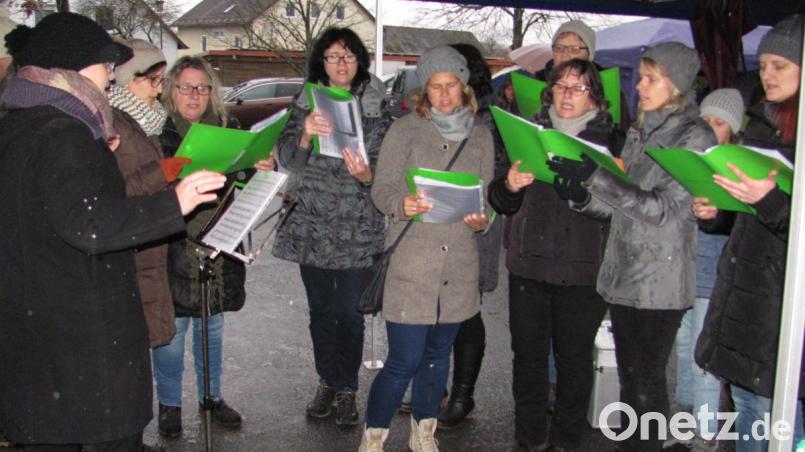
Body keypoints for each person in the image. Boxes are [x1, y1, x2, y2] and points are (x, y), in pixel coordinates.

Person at [0, 12, 225, 451]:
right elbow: (91, 224)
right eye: (106, 66)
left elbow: (56, 211)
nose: (110, 77)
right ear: (74, 68)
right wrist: (174, 203)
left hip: (39, 335)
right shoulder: (64, 134)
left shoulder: (21, 123)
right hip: (82, 342)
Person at [550, 42, 717, 451]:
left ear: (675, 84)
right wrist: (582, 196)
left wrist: (597, 178)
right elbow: (623, 207)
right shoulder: (643, 131)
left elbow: (662, 209)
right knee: (632, 379)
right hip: (626, 273)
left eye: (650, 79)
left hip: (660, 278)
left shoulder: (693, 135)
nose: (638, 86)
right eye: (640, 77)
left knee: (646, 383)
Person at [360, 45, 495, 452]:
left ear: (464, 87)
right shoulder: (404, 130)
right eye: (436, 86)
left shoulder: (481, 135)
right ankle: (374, 436)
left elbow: (484, 197)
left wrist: (482, 219)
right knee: (403, 361)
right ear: (424, 90)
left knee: (438, 358)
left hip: (459, 266)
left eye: (452, 85)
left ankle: (423, 434)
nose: (444, 94)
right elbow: (382, 189)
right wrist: (401, 204)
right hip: (412, 263)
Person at [489, 58, 621, 451]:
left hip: (583, 270)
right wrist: (509, 186)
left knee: (574, 361)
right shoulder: (527, 132)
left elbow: (621, 207)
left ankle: (566, 440)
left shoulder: (611, 142)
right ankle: (529, 437)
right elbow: (499, 199)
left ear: (595, 97)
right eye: (560, 85)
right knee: (527, 357)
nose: (567, 94)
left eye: (578, 87)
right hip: (529, 265)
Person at [694, 14, 804, 452]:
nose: (767, 74)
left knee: (779, 421)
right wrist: (716, 212)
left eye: (781, 66)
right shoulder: (761, 125)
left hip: (784, 308)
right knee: (748, 410)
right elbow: (747, 214)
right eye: (763, 66)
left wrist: (770, 201)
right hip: (748, 296)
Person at [271, 27, 391, 427]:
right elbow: (287, 160)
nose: (341, 63)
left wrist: (367, 175)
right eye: (333, 56)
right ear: (320, 62)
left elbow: (387, 168)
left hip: (356, 225)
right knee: (321, 312)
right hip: (311, 222)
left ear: (360, 61)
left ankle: (347, 388)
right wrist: (305, 134)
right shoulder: (305, 101)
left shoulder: (377, 105)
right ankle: (327, 380)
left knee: (350, 315)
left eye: (348, 56)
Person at [153, 55, 251, 438]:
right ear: (171, 91)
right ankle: (169, 404)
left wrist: (253, 167)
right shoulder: (158, 131)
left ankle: (212, 396)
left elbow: (241, 180)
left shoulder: (229, 127)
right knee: (172, 331)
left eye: (202, 87)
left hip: (217, 244)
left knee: (212, 326)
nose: (195, 95)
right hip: (173, 244)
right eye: (186, 87)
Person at [428, 42, 505, 430]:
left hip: (476, 225)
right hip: (437, 223)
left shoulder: (491, 120)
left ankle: (462, 394)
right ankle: (434, 389)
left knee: (466, 311)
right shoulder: (432, 112)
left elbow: (500, 179)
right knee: (433, 309)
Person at [666, 88, 744, 452]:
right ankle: (686, 417)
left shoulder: (738, 167)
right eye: (706, 120)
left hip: (714, 272)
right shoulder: (690, 157)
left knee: (703, 356)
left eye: (720, 123)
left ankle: (706, 431)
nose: (711, 128)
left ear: (734, 129)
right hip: (684, 266)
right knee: (683, 346)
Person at [108, 38, 188, 349]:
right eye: (153, 80)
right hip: (130, 244)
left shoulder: (148, 119)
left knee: (149, 332)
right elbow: (111, 189)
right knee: (132, 338)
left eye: (162, 80)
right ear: (128, 78)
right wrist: (162, 172)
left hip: (149, 238)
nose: (159, 90)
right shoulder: (111, 122)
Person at [535, 20, 631, 131]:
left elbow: (622, 132)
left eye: (574, 49)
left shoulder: (608, 86)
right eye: (559, 48)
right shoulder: (538, 80)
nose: (565, 54)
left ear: (589, 55)